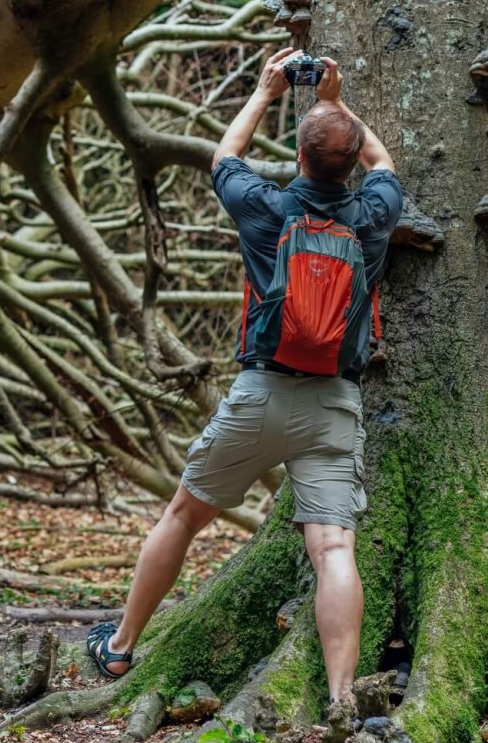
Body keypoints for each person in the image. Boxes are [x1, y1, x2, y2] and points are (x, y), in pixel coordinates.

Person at [86, 46, 402, 721]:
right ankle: (344, 696)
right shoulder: (372, 215)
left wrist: (266, 91)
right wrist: (338, 104)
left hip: (259, 395)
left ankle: (119, 647)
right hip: (334, 403)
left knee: (184, 515)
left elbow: (223, 159)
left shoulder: (265, 208)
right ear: (346, 162)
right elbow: (384, 164)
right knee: (334, 547)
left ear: (300, 156)